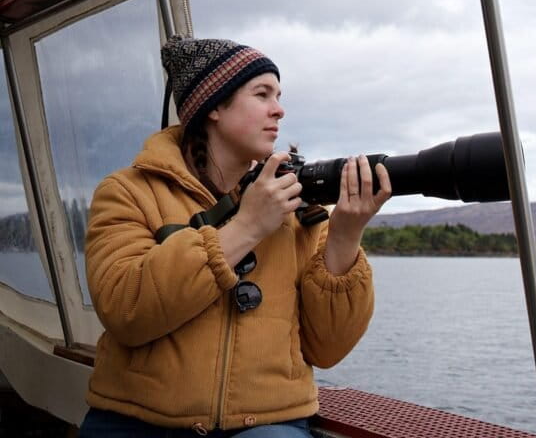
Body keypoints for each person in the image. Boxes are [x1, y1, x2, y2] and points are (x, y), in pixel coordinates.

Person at [79, 36, 391, 437]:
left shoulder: (302, 210)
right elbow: (126, 308)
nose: (279, 109)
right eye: (262, 94)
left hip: (266, 423)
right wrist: (247, 227)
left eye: (278, 96)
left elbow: (327, 349)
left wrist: (345, 237)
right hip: (138, 420)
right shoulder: (128, 192)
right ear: (213, 106)